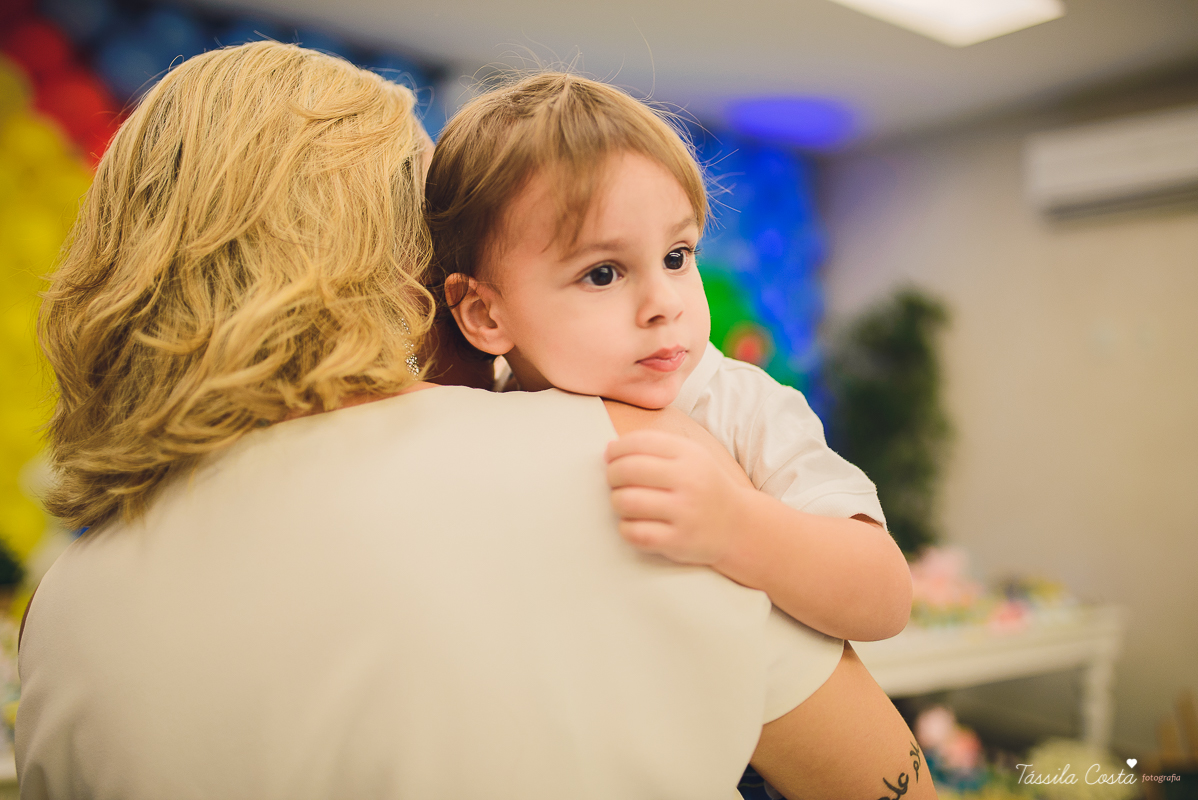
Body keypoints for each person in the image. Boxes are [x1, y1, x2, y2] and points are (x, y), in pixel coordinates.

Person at [18, 42, 935, 800]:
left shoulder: (65, 603)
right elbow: (884, 786)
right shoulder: (626, 451)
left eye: (678, 256)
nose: (660, 303)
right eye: (436, 224)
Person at [424, 72, 912, 644]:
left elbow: (884, 597)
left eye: (678, 256)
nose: (664, 303)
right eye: (603, 273)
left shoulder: (741, 405)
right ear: (485, 314)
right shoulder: (489, 411)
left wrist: (737, 525)